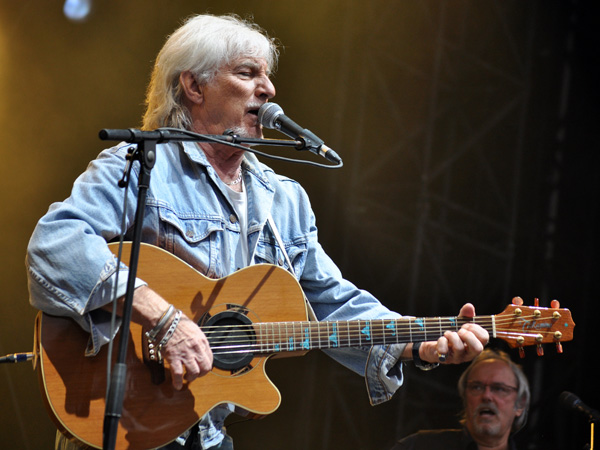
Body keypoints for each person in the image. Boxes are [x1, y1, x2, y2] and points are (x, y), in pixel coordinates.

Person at [26, 13, 489, 450]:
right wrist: (163, 319)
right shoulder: (139, 165)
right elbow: (56, 241)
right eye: (248, 73)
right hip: (117, 417)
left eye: (266, 76)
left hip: (205, 432)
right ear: (193, 85)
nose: (267, 89)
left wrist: (418, 342)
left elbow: (334, 302)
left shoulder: (283, 199)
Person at [392, 348, 530, 450]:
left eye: (499, 388)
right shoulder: (417, 446)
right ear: (465, 396)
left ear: (520, 404)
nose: (487, 396)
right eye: (476, 387)